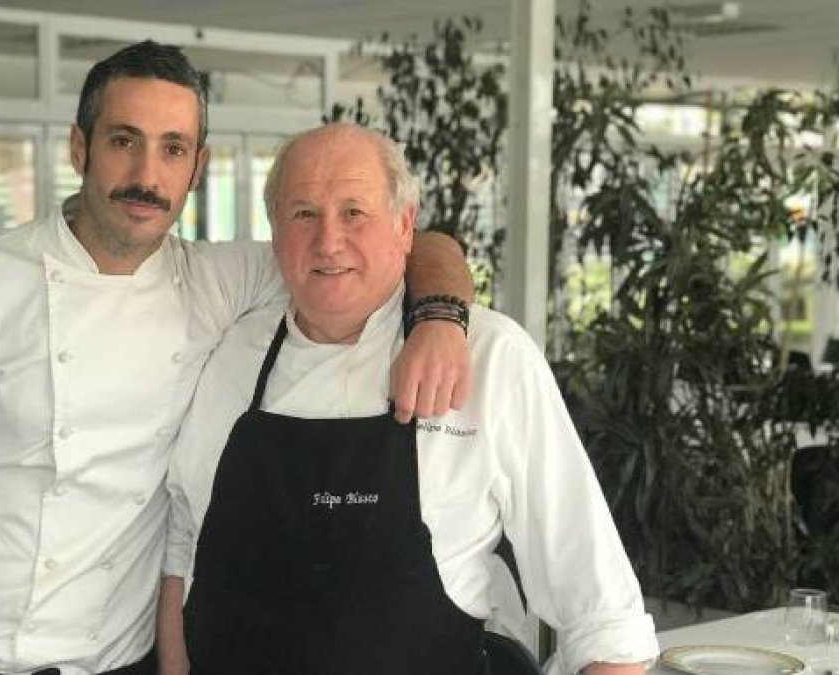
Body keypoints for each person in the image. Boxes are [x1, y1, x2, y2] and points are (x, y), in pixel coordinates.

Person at [0, 43, 475, 675]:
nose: (146, 175)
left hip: (112, 660)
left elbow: (407, 244)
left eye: (172, 148)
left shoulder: (215, 280)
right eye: (124, 141)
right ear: (79, 148)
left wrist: (440, 318)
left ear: (197, 166)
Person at [158, 122, 660, 675]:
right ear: (274, 234)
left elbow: (604, 619)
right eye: (303, 214)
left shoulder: (491, 358)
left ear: (404, 227)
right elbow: (184, 540)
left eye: (354, 212)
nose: (328, 240)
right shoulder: (231, 355)